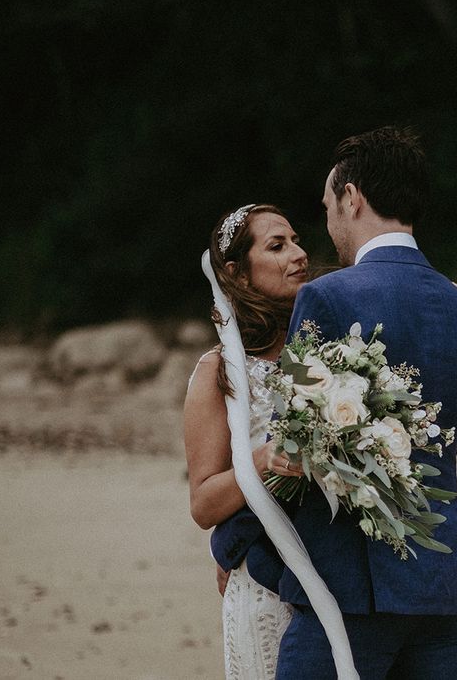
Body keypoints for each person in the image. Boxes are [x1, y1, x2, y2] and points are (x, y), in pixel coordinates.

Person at [254, 127, 457, 679]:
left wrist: (239, 546)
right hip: (438, 582)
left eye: (328, 206)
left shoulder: (326, 296)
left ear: (352, 197)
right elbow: (444, 443)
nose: (329, 224)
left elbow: (291, 448)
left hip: (346, 589)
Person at [184, 203, 309, 680]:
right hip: (265, 588)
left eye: (296, 240)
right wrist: (263, 460)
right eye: (277, 246)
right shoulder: (219, 372)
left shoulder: (323, 356)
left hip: (341, 583)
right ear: (237, 273)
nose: (298, 254)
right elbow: (203, 504)